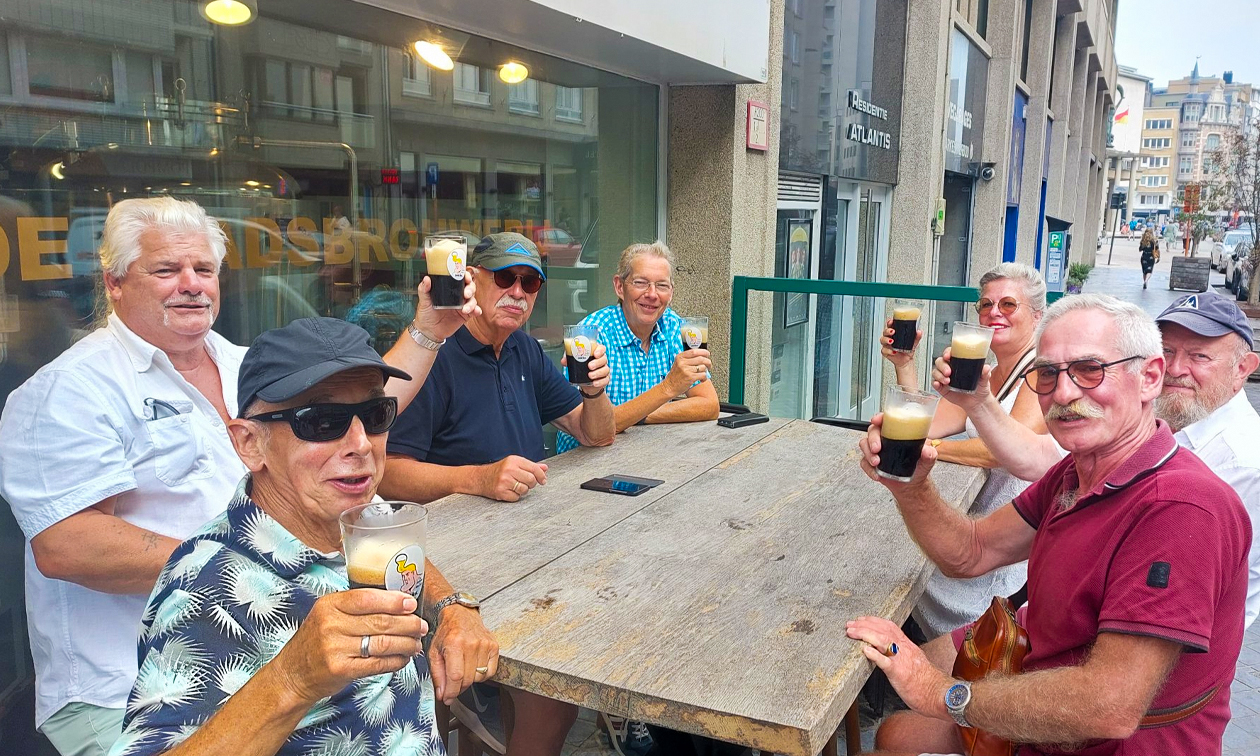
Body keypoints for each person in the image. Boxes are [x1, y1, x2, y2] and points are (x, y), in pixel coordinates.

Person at [0, 196, 478, 756]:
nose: (191, 284)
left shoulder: (241, 364)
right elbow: (65, 545)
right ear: (114, 283)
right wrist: (249, 569)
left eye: (204, 269)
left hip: (307, 641)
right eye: (166, 270)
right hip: (121, 685)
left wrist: (428, 332)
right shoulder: (68, 390)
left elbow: (345, 423)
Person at [851, 294, 1250, 755]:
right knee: (894, 731)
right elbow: (971, 552)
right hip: (1040, 674)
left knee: (900, 727)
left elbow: (1109, 706)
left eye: (1090, 369)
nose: (1063, 394)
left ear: (1149, 377)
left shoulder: (1181, 508)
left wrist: (943, 694)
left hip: (1106, 742)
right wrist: (910, 487)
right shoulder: (1077, 470)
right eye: (1047, 373)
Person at [108, 317, 498, 756]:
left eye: (375, 415)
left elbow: (404, 559)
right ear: (250, 444)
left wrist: (451, 607)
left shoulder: (359, 518)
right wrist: (292, 679)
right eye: (321, 422)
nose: (361, 444)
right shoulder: (207, 591)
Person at [381, 232, 616, 755]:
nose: (518, 292)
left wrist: (594, 390)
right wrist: (477, 478)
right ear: (472, 279)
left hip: (527, 545)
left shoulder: (525, 350)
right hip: (452, 560)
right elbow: (386, 476)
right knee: (554, 687)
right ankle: (481, 706)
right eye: (505, 277)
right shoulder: (434, 355)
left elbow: (595, 434)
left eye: (530, 283)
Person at [948, 289, 1260, 628]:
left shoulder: (1243, 464)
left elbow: (1193, 601)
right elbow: (1037, 459)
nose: (1176, 368)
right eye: (1168, 351)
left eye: (1200, 356)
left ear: (1243, 368)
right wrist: (977, 404)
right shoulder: (1155, 413)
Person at [880, 263, 1058, 637]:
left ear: (1037, 316)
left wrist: (927, 450)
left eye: (1008, 304)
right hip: (972, 525)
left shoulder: (1041, 372)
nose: (994, 312)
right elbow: (927, 423)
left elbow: (1004, 451)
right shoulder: (986, 372)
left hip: (999, 555)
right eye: (985, 305)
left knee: (890, 573)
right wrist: (905, 364)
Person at [555, 241, 718, 454]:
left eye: (662, 285)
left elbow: (709, 404)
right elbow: (595, 428)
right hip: (583, 461)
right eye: (641, 283)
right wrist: (668, 389)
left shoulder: (673, 325)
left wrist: (637, 415)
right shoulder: (590, 336)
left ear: (671, 293)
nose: (652, 294)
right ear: (619, 287)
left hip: (645, 454)